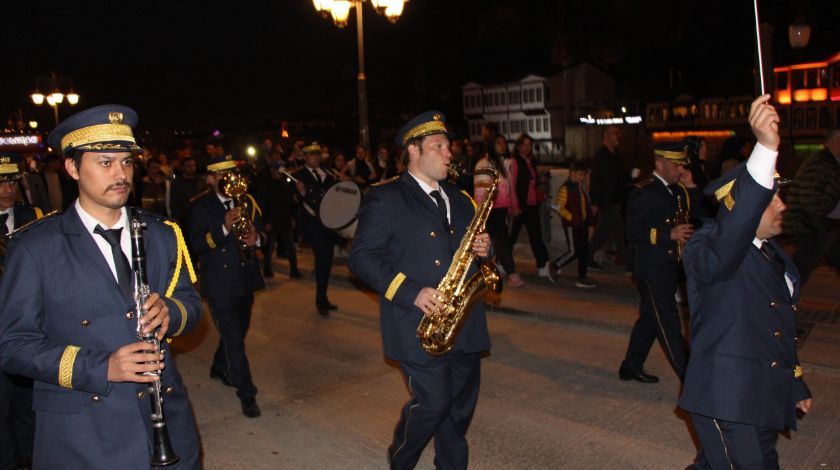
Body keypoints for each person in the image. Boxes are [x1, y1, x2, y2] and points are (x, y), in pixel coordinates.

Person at [0, 105, 202, 468]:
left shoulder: (161, 233)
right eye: (105, 163)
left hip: (169, 423)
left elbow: (191, 304)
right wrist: (101, 367)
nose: (121, 174)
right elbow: (13, 346)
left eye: (126, 162)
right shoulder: (35, 247)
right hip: (82, 435)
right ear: (72, 168)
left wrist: (170, 312)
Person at [349, 111, 492, 470]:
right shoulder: (386, 199)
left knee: (458, 408)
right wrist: (411, 291)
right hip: (415, 321)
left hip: (464, 322)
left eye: (449, 146)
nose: (449, 153)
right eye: (438, 146)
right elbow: (362, 259)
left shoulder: (461, 199)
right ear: (413, 151)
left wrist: (485, 251)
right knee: (434, 402)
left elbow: (473, 256)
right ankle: (402, 457)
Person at [679, 95, 812, 469]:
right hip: (727, 401)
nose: (782, 205)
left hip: (761, 398)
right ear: (744, 205)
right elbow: (730, 238)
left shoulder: (776, 256)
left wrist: (794, 381)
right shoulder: (706, 248)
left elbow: (778, 327)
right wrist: (765, 149)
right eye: (772, 198)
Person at [189, 154, 265, 418]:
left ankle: (219, 366)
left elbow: (264, 232)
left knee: (237, 334)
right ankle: (247, 393)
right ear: (210, 179)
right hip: (219, 283)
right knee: (235, 342)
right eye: (220, 175)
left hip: (245, 279)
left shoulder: (248, 201)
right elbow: (197, 245)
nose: (227, 179)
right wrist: (223, 227)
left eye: (230, 173)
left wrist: (257, 238)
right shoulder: (201, 207)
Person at [618, 141, 700, 383]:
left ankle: (630, 367)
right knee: (668, 322)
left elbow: (696, 214)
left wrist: (691, 186)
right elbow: (632, 232)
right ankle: (693, 380)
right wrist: (668, 235)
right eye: (675, 165)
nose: (679, 169)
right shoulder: (644, 191)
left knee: (650, 321)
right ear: (659, 163)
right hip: (651, 270)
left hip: (668, 267)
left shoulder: (676, 191)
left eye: (681, 164)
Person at [0, 153, 43, 470]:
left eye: (11, 181)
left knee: (31, 399)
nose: (6, 189)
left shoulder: (36, 216)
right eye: (0, 182)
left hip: (32, 324)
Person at [785, 128, 840, 286]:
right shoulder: (821, 163)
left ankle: (779, 298)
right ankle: (777, 300)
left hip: (822, 228)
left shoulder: (830, 162)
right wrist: (822, 226)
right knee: (799, 270)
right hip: (814, 228)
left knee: (800, 269)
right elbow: (809, 198)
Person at [293, 142, 340, 317]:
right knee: (322, 259)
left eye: (318, 154)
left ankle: (323, 297)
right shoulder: (297, 176)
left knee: (326, 261)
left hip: (328, 225)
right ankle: (321, 300)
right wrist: (301, 193)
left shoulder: (327, 174)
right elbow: (292, 201)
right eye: (312, 155)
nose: (316, 158)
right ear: (305, 157)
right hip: (312, 224)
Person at [474, 134, 524, 287]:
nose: (503, 145)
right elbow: (481, 191)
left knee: (495, 242)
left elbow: (510, 189)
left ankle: (486, 272)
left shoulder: (503, 164)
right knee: (501, 241)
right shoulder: (483, 164)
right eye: (499, 143)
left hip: (501, 209)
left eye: (504, 143)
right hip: (490, 210)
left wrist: (513, 206)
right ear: (491, 145)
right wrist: (482, 210)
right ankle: (511, 273)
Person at [588, 125, 632, 272]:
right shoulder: (600, 157)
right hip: (607, 202)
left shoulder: (616, 156)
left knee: (602, 232)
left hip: (617, 201)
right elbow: (595, 181)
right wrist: (594, 202)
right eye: (615, 133)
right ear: (606, 136)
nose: (618, 136)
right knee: (620, 232)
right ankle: (630, 265)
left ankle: (586, 257)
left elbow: (621, 177)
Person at [510, 133, 553, 279]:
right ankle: (502, 262)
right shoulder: (515, 162)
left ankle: (543, 265)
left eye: (529, 145)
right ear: (519, 146)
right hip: (520, 205)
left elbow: (531, 181)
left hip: (532, 204)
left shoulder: (531, 161)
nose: (527, 147)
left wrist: (540, 180)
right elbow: (513, 184)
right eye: (525, 145)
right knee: (512, 236)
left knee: (536, 236)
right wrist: (514, 205)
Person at [551, 160, 596, 288]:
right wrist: (572, 218)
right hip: (572, 225)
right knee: (574, 251)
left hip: (581, 224)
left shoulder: (579, 187)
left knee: (584, 251)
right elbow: (559, 207)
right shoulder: (566, 188)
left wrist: (588, 221)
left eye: (583, 175)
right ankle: (555, 265)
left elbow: (585, 205)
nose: (582, 178)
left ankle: (582, 276)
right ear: (573, 173)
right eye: (580, 175)